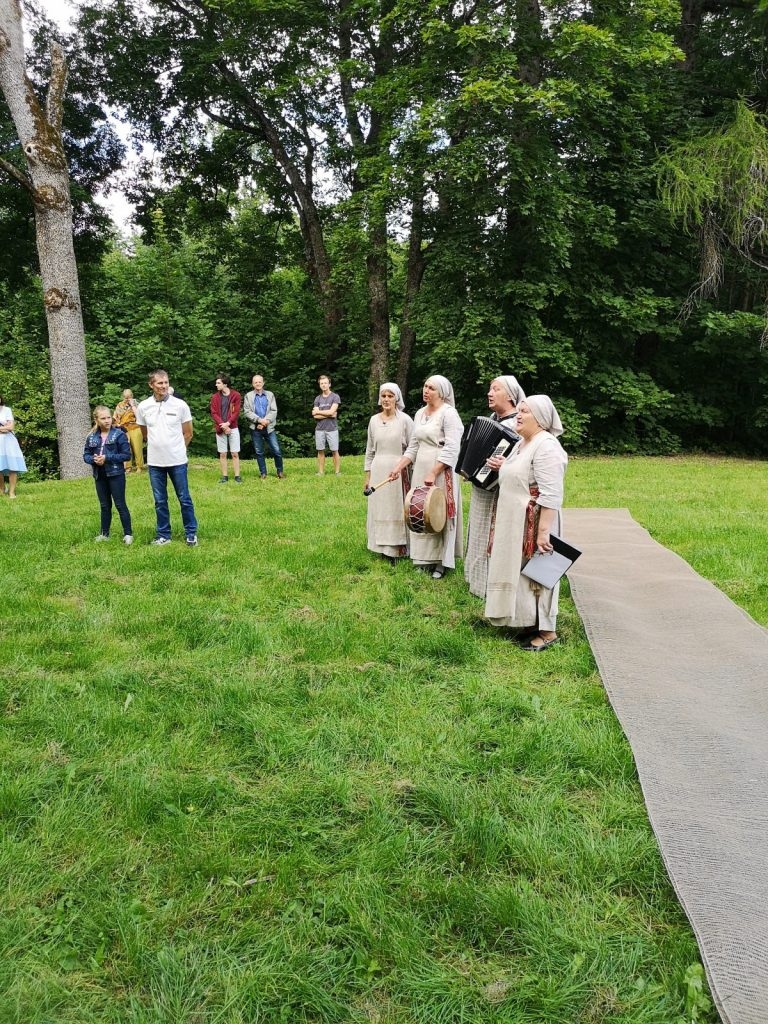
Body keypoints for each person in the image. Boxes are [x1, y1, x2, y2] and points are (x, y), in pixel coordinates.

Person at [484, 395, 568, 651]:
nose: (518, 415)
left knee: (538, 576)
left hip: (535, 523)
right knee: (521, 573)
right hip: (514, 521)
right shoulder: (523, 443)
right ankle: (528, 621)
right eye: (518, 410)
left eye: (525, 412)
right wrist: (503, 467)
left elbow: (551, 493)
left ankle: (548, 632)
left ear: (541, 419)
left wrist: (543, 532)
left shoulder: (547, 446)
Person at [389, 375, 464, 579]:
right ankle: (423, 557)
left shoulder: (449, 414)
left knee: (439, 512)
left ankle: (442, 561)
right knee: (421, 511)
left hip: (441, 468)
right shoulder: (420, 413)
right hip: (421, 467)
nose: (426, 390)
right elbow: (413, 446)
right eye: (425, 386)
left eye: (431, 388)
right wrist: (399, 466)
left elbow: (452, 447)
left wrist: (434, 471)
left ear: (441, 392)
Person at [464, 375, 525, 599]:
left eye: (495, 389)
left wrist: (505, 465)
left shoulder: (517, 424)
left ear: (510, 395)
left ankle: (492, 585)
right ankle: (477, 581)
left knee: (492, 534)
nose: (489, 393)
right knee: (478, 529)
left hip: (501, 491)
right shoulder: (491, 419)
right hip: (482, 489)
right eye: (490, 389)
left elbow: (524, 458)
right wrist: (469, 469)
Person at [136, 369, 199, 546]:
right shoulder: (143, 407)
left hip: (177, 461)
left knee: (184, 498)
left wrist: (177, 449)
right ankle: (163, 534)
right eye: (159, 383)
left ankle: (191, 532)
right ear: (151, 385)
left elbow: (188, 433)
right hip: (155, 462)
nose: (164, 386)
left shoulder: (180, 405)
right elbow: (145, 433)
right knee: (160, 500)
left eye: (166, 382)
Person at [363, 383, 414, 562]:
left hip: (397, 470)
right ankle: (380, 547)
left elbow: (413, 448)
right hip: (378, 468)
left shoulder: (405, 420)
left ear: (397, 398)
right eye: (383, 396)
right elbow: (370, 450)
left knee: (395, 508)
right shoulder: (373, 420)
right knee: (380, 508)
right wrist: (368, 476)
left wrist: (403, 467)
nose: (386, 399)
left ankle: (397, 549)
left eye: (390, 396)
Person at [83, 406, 134, 544]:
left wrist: (107, 458)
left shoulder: (119, 434)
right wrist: (93, 459)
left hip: (116, 474)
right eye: (103, 418)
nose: (107, 421)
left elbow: (126, 455)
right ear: (96, 420)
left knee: (120, 504)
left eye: (108, 417)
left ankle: (128, 533)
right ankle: (104, 534)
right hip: (99, 475)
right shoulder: (91, 437)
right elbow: (86, 455)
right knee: (104, 505)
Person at [243, 374, 286, 480]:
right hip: (255, 428)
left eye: (259, 382)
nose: (258, 384)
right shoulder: (248, 396)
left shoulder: (270, 395)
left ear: (263, 383)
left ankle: (280, 471)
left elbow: (274, 410)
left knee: (276, 450)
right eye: (255, 382)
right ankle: (263, 473)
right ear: (253, 384)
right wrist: (259, 420)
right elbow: (247, 412)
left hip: (269, 427)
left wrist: (265, 421)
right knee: (259, 452)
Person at [210, 374, 242, 483]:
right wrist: (223, 425)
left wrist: (228, 423)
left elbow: (236, 412)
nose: (216, 385)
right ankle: (225, 476)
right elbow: (214, 413)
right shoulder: (215, 397)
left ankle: (237, 476)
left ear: (225, 384)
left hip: (233, 427)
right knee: (223, 453)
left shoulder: (236, 395)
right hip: (220, 428)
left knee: (234, 453)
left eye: (218, 383)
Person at [312, 374, 341, 475]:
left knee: (334, 451)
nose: (324, 385)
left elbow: (330, 411)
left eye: (325, 383)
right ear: (319, 385)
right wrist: (329, 414)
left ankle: (337, 472)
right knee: (320, 451)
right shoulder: (317, 399)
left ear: (329, 384)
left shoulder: (335, 397)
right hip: (319, 429)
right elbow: (315, 416)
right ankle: (320, 472)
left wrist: (319, 412)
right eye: (321, 383)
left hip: (332, 428)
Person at [0, 395, 27, 498]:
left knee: (13, 466)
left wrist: (6, 428)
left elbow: (11, 427)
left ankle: (12, 492)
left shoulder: (7, 410)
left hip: (9, 441)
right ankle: (2, 489)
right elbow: (7, 427)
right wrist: (4, 428)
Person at [113, 388, 145, 473]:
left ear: (132, 396)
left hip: (135, 427)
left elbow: (140, 415)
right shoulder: (120, 405)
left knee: (137, 447)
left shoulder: (136, 404)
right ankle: (128, 467)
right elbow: (115, 416)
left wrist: (132, 405)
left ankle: (139, 466)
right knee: (126, 448)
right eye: (125, 397)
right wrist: (117, 424)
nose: (127, 399)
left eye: (129, 396)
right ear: (123, 397)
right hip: (124, 429)